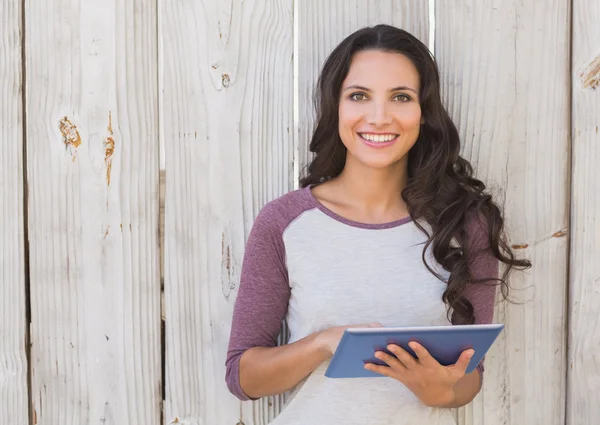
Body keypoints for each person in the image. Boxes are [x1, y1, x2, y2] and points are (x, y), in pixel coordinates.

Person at [225, 24, 530, 424]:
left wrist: (444, 391)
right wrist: (323, 344)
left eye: (401, 97)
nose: (380, 117)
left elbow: (469, 378)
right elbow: (242, 377)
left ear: (424, 113)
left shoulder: (464, 223)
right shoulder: (285, 222)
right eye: (359, 96)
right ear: (337, 107)